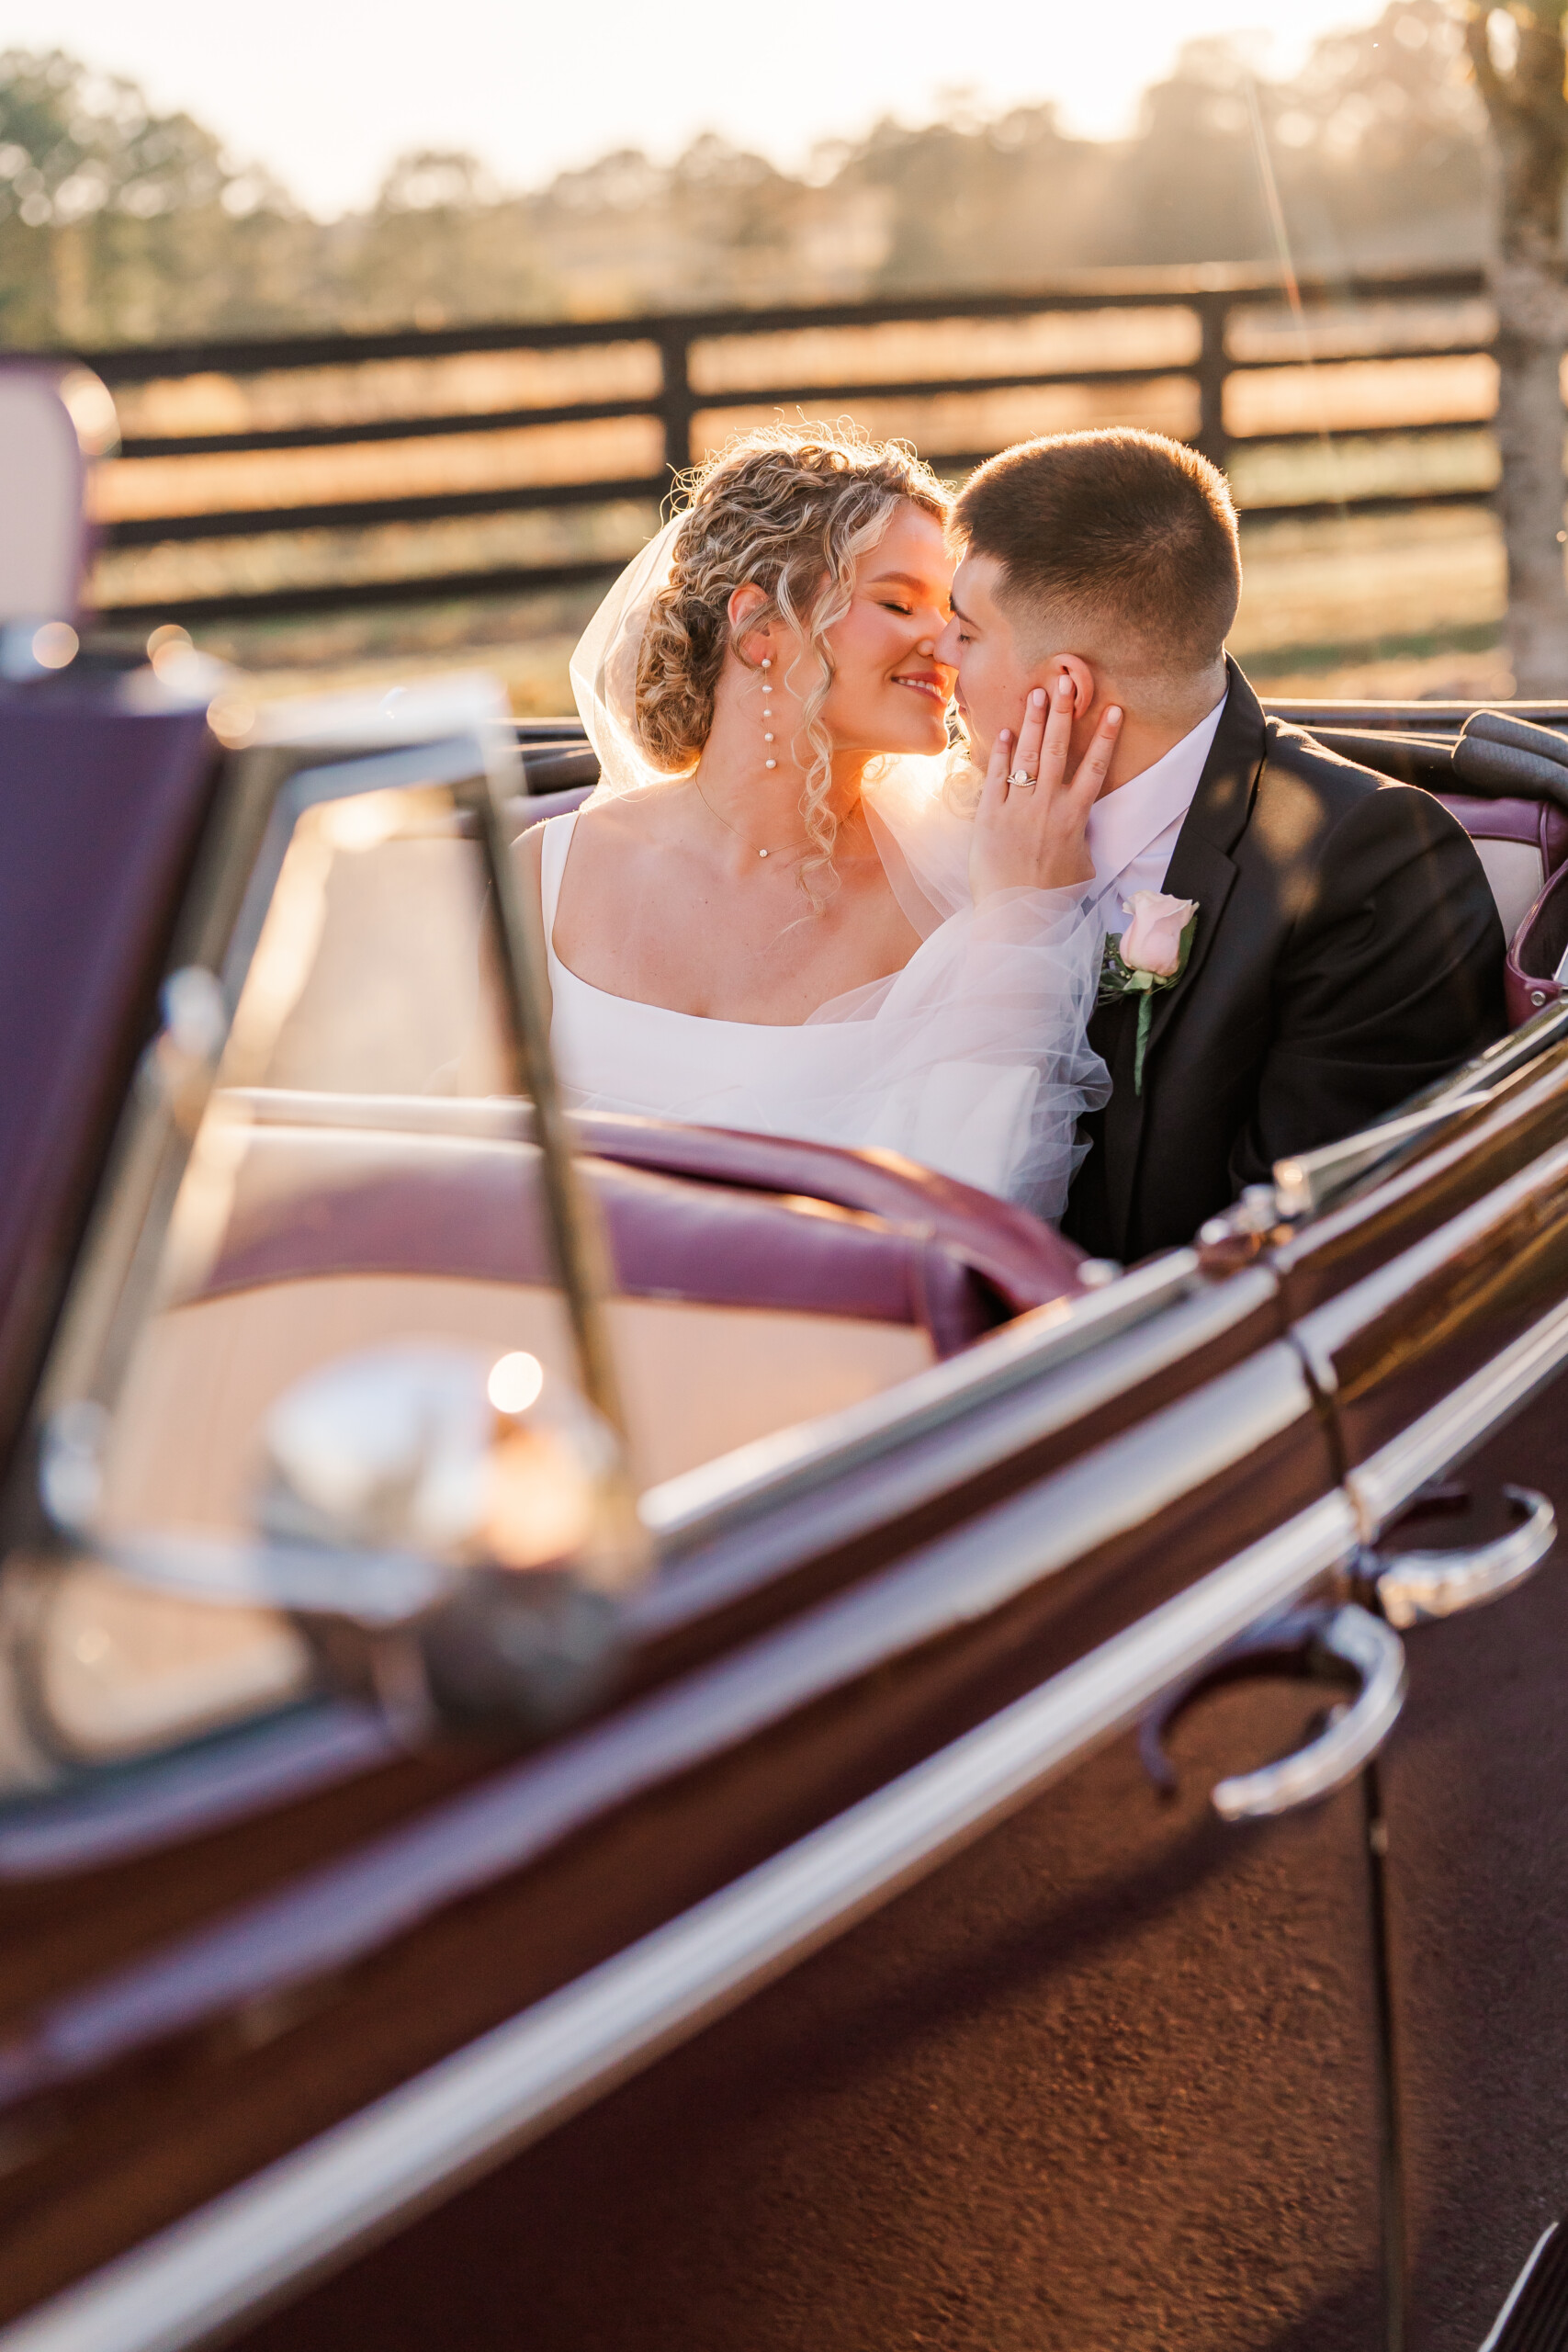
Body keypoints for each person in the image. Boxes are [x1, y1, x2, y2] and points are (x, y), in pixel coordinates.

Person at [936, 426, 1506, 1263]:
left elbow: (1299, 1248)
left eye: (965, 631)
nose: (938, 652)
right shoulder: (937, 817)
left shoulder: (1372, 865)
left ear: (1063, 686)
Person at [521, 426, 1115, 1220]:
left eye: (950, 617)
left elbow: (983, 1211)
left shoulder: (965, 890)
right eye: (898, 602)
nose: (941, 643)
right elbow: (447, 1170)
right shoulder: (546, 873)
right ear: (761, 628)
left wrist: (1021, 918)